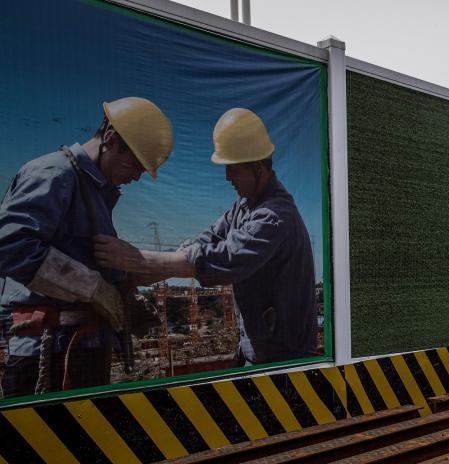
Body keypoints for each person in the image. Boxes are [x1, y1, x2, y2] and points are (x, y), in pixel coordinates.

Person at [95, 108, 316, 365]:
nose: (227, 177)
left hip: (285, 360)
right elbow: (208, 240)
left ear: (257, 167)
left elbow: (227, 259)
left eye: (233, 169)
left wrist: (140, 261)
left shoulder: (274, 216)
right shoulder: (244, 206)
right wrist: (156, 271)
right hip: (257, 352)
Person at [0, 97, 173, 396]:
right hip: (48, 353)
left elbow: (84, 259)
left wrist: (121, 291)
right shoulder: (54, 174)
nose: (136, 176)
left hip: (82, 348)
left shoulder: (94, 192)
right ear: (110, 138)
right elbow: (11, 245)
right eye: (136, 164)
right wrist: (94, 288)